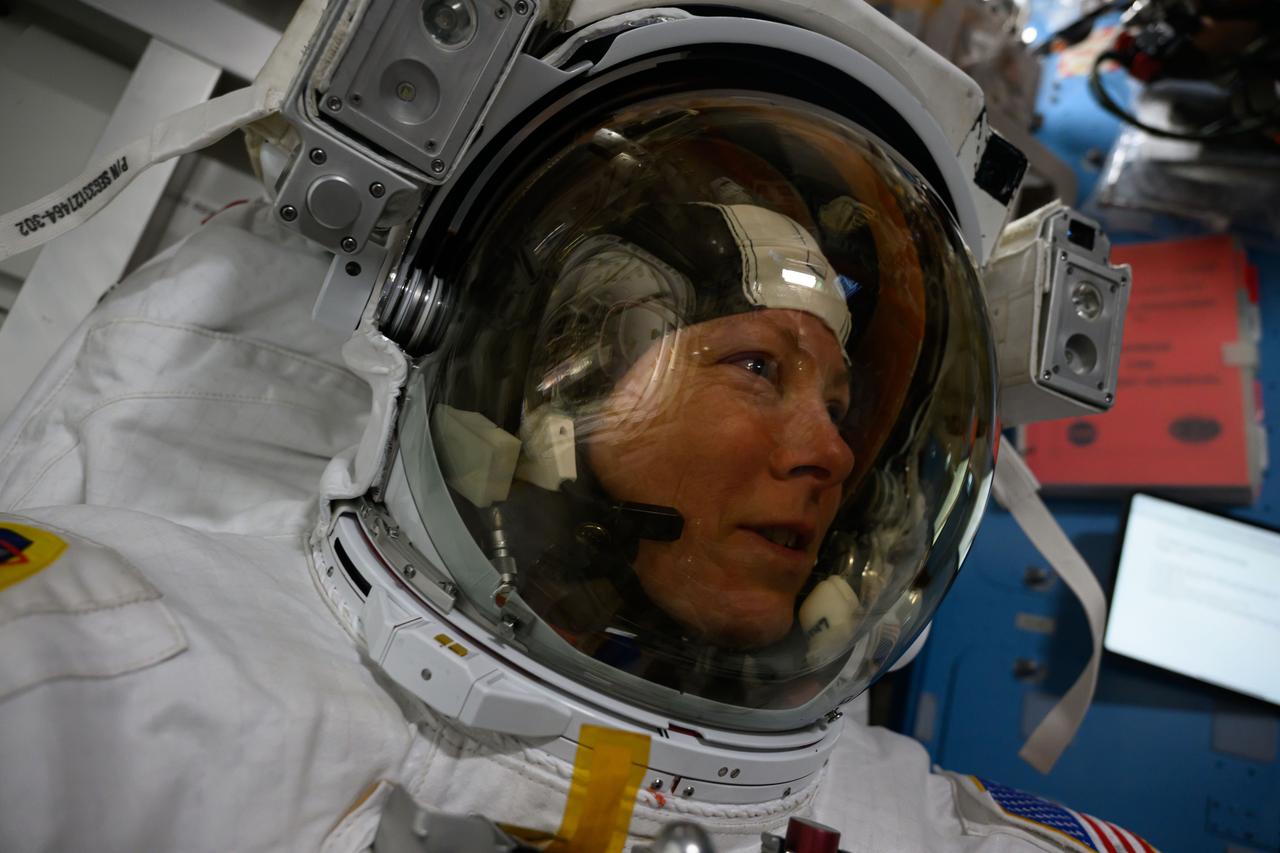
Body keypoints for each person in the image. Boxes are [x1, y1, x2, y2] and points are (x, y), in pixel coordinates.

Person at [0, 13, 1157, 853]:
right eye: (759, 367)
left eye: (843, 407)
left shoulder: (903, 824)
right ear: (553, 396)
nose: (832, 454)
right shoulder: (109, 678)